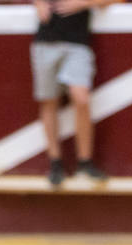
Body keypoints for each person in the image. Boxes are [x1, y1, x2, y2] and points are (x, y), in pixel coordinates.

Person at [31, 0, 118, 187]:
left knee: (81, 98)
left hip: (77, 41)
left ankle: (84, 161)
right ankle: (55, 163)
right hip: (47, 38)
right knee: (48, 101)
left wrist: (83, 3)